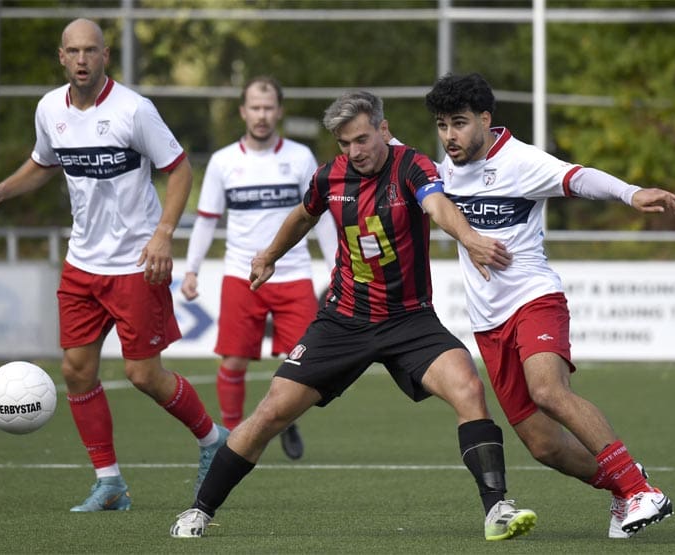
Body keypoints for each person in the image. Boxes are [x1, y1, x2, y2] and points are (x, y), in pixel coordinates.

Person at [170, 90, 536, 541]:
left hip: (409, 320)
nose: (355, 152)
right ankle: (199, 511)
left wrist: (470, 238)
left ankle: (496, 508)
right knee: (270, 412)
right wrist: (268, 255)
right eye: (345, 144)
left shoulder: (412, 165)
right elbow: (302, 217)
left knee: (468, 387)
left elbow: (437, 206)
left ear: (383, 129)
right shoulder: (329, 177)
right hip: (343, 319)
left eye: (362, 139)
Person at [0, 18, 227, 511]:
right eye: (74, 51)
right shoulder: (50, 109)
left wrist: (163, 236)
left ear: (106, 56)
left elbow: (179, 168)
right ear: (62, 57)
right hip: (82, 263)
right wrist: (3, 189)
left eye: (91, 50)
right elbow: (45, 162)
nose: (82, 59)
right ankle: (109, 482)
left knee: (143, 375)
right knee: (76, 370)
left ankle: (212, 439)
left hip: (135, 265)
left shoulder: (134, 110)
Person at [424, 72, 675, 538]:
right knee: (544, 446)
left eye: (459, 124)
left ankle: (641, 489)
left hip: (534, 299)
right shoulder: (445, 167)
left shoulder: (521, 161)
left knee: (548, 390)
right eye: (442, 125)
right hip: (487, 323)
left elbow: (577, 177)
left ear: (485, 119)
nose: (450, 136)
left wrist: (631, 193)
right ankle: (624, 490)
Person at [180, 76, 337, 460]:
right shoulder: (224, 162)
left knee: (301, 364)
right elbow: (206, 219)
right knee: (232, 360)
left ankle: (284, 419)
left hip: (293, 272)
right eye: (255, 107)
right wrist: (191, 269)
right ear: (243, 112)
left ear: (278, 111)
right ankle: (231, 439)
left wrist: (338, 268)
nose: (262, 115)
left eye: (268, 107)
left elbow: (322, 218)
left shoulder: (300, 158)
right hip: (242, 274)